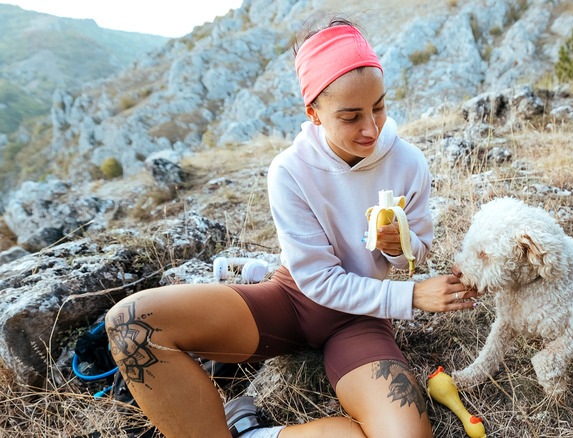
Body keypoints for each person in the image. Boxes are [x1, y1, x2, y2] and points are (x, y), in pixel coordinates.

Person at [104, 17, 479, 438]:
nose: (371, 128)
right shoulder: (289, 170)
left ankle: (254, 434)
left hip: (361, 320)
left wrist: (401, 246)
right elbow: (317, 280)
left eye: (379, 106)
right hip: (290, 300)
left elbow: (419, 249)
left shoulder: (409, 162)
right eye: (351, 116)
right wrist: (410, 295)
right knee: (130, 322)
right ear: (313, 112)